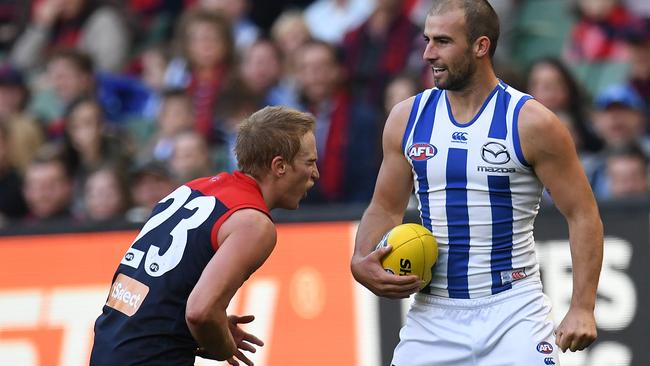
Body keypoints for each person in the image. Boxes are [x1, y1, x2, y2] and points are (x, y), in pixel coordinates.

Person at [350, 1, 604, 365]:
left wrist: (582, 307)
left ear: (480, 46)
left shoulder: (532, 122)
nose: (427, 53)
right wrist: (361, 259)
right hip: (432, 315)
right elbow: (385, 206)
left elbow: (583, 214)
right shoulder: (407, 117)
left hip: (513, 311)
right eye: (427, 40)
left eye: (442, 41)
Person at [90, 106, 319, 366]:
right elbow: (201, 312)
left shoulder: (194, 188)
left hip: (108, 348)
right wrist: (222, 347)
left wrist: (213, 328)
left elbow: (160, 294)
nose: (315, 174)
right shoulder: (254, 224)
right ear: (279, 166)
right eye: (310, 162)